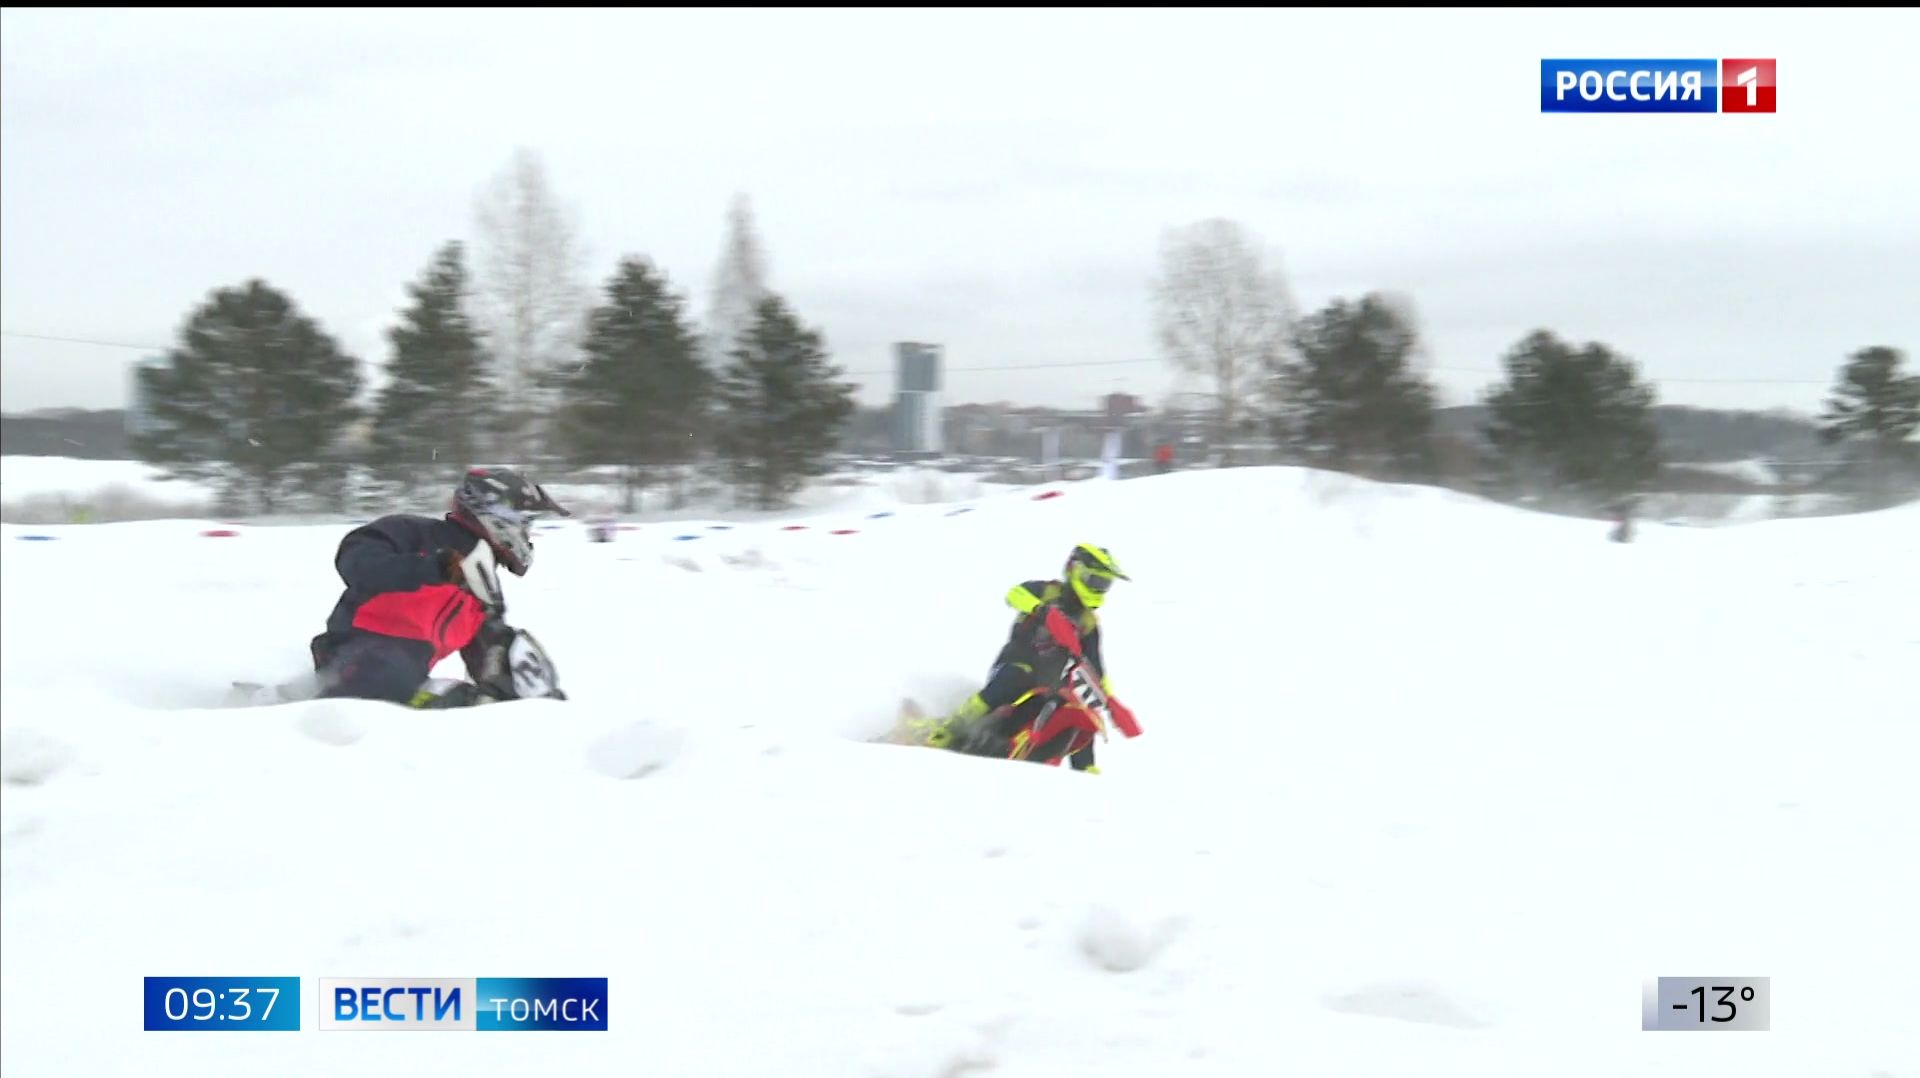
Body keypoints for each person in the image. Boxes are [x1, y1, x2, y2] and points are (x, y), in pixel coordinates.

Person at [309, 466, 571, 708]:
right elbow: (356, 563)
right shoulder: (413, 532)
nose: (526, 533)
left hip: (406, 676)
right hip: (355, 655)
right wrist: (431, 568)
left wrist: (524, 690)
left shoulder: (484, 586)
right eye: (525, 524)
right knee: (391, 672)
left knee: (475, 701)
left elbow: (491, 646)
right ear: (494, 512)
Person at [918, 543, 1130, 771]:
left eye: (1105, 584)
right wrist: (1042, 610)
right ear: (1077, 571)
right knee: (1018, 676)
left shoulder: (1088, 624)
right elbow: (1014, 595)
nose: (1100, 589)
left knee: (1082, 710)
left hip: (1048, 685)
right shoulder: (1048, 591)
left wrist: (1111, 702)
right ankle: (951, 728)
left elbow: (1096, 668)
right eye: (1096, 581)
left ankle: (1085, 770)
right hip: (1015, 665)